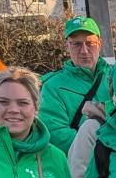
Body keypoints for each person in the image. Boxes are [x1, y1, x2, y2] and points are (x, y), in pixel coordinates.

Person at [40, 16, 111, 152]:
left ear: (100, 44)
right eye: (77, 44)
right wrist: (105, 148)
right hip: (82, 166)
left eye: (90, 43)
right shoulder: (53, 86)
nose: (84, 51)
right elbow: (56, 135)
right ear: (67, 46)